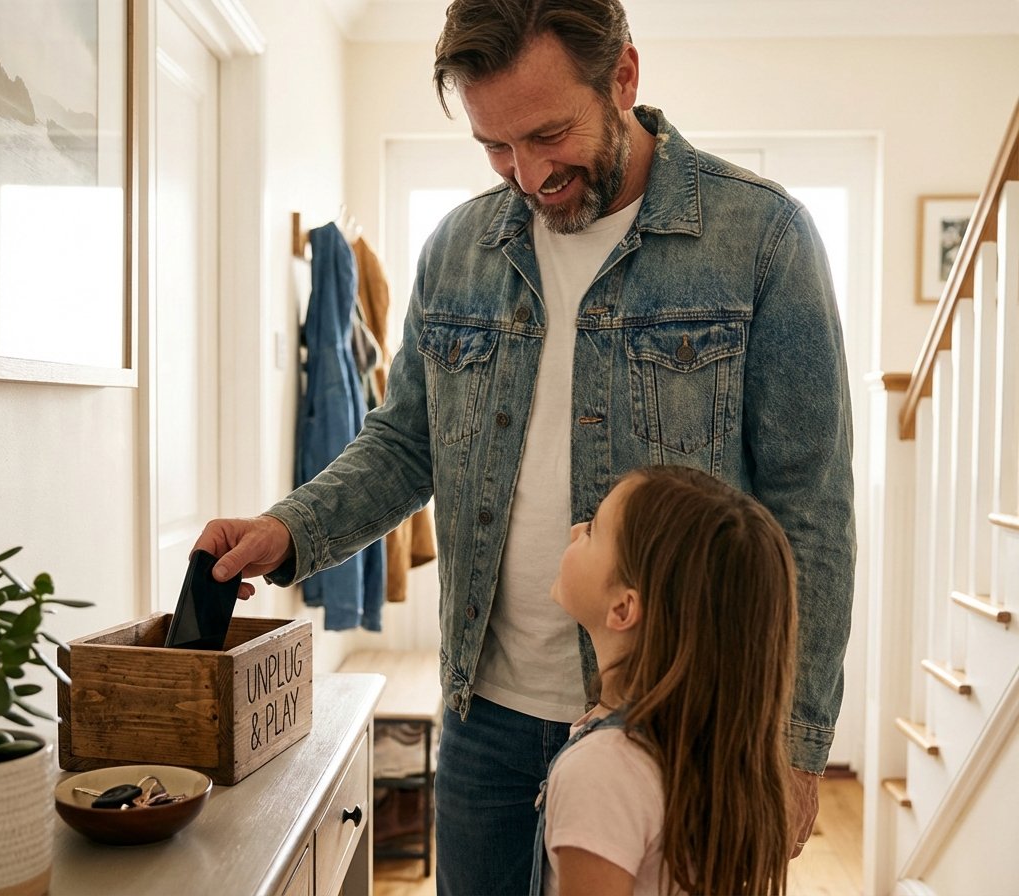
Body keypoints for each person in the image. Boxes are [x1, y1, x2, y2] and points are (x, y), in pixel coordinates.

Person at [194, 1, 855, 892]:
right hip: (486, 719)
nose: (530, 175)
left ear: (622, 77)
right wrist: (290, 529)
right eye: (496, 147)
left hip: (679, 727)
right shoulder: (461, 247)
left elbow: (808, 511)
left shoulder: (762, 238)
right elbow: (406, 441)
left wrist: (796, 743)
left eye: (549, 134)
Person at [532, 465, 797, 896]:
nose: (577, 529)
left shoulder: (599, 773)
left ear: (623, 609)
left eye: (594, 531)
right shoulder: (708, 747)